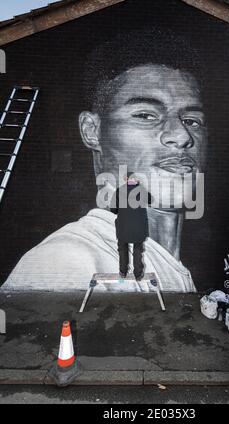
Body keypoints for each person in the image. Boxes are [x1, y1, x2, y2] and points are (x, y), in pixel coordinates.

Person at [0, 28, 207, 293]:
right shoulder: (68, 263)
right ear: (91, 130)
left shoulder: (169, 265)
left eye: (192, 121)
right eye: (145, 115)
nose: (181, 136)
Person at [111, 174, 152, 281]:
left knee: (122, 248)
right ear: (136, 179)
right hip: (138, 226)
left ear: (126, 179)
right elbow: (150, 200)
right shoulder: (141, 190)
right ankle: (138, 274)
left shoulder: (119, 191)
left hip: (123, 225)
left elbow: (113, 209)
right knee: (138, 249)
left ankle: (123, 272)